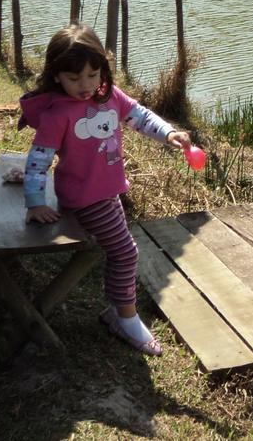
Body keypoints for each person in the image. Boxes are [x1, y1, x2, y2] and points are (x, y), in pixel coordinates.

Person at [18, 24, 194, 356]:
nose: (85, 85)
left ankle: (120, 309)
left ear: (102, 70)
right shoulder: (59, 114)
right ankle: (122, 316)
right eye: (74, 78)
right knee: (125, 252)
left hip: (106, 192)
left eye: (92, 74)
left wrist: (170, 134)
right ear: (56, 76)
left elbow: (140, 117)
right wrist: (34, 202)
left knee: (122, 248)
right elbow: (38, 160)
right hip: (85, 198)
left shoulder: (110, 96)